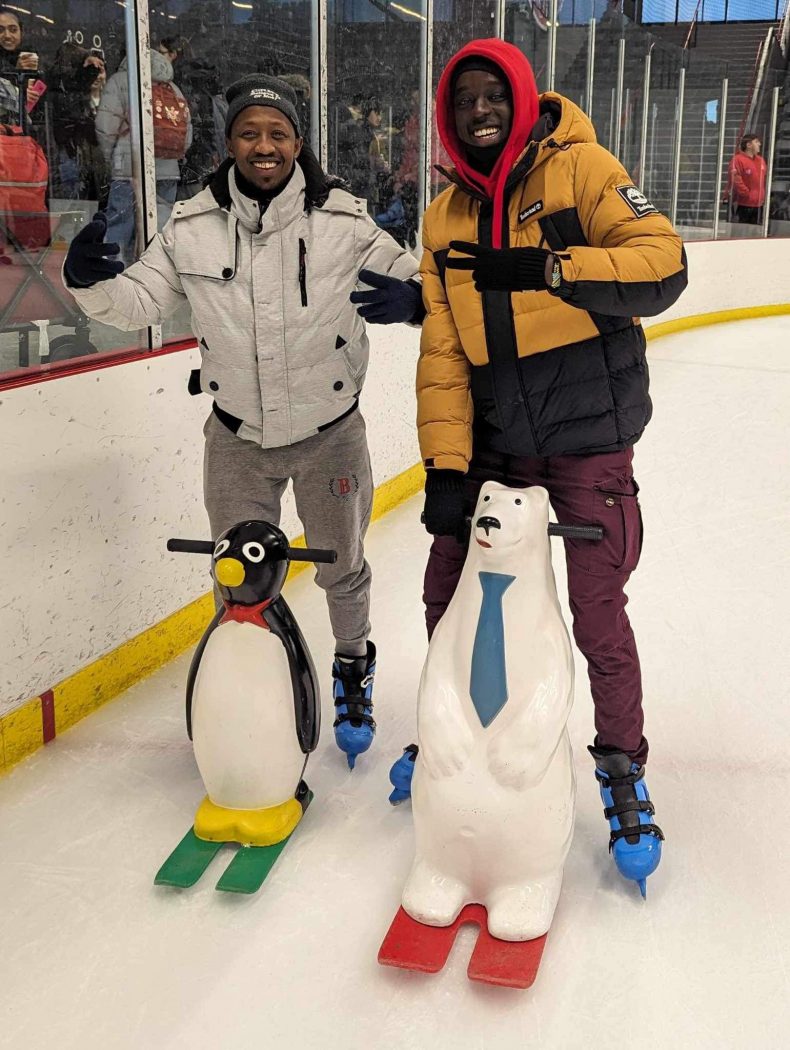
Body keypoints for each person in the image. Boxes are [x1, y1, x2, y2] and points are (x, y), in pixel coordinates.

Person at [62, 75, 422, 769]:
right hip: (236, 437)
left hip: (330, 433)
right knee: (235, 572)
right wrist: (89, 285)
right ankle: (246, 686)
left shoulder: (342, 221)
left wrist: (414, 301)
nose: (264, 146)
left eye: (278, 134)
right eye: (250, 133)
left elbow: (412, 281)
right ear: (228, 142)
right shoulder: (192, 226)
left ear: (297, 143)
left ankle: (353, 668)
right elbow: (137, 301)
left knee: (342, 568)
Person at [407, 39, 688, 893]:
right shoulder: (444, 215)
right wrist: (445, 467)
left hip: (588, 434)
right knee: (445, 589)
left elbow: (664, 262)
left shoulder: (582, 171)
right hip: (497, 441)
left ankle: (621, 766)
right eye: (465, 103)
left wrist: (552, 267)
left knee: (598, 615)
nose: (481, 112)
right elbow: (444, 351)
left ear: (523, 98)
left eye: (496, 96)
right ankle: (460, 735)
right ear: (450, 121)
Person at [96, 49, 192, 262]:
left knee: (120, 223)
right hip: (168, 169)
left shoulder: (121, 81)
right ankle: (157, 272)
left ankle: (115, 275)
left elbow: (106, 127)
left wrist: (107, 158)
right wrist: (174, 157)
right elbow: (187, 132)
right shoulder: (172, 88)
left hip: (129, 167)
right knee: (161, 224)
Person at [49, 42, 109, 204]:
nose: (95, 75)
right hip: (75, 157)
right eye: (89, 70)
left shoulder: (111, 102)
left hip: (97, 163)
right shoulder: (72, 98)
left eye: (99, 70)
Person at [727, 134, 766, 225]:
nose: (759, 144)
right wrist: (746, 194)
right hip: (742, 204)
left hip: (759, 204)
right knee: (740, 233)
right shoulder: (738, 160)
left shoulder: (761, 161)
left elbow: (764, 179)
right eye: (756, 142)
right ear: (748, 145)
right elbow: (735, 178)